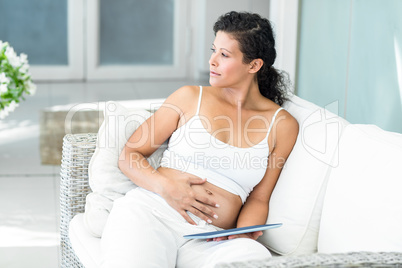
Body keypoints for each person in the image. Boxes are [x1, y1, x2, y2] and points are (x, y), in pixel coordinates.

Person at [101, 11, 299, 267]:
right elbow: (129, 156)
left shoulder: (282, 124)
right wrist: (167, 188)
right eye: (213, 50)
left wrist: (243, 233)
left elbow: (259, 198)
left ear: (254, 65)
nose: (212, 61)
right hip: (152, 214)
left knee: (254, 256)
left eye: (224, 55)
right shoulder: (189, 97)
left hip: (211, 242)